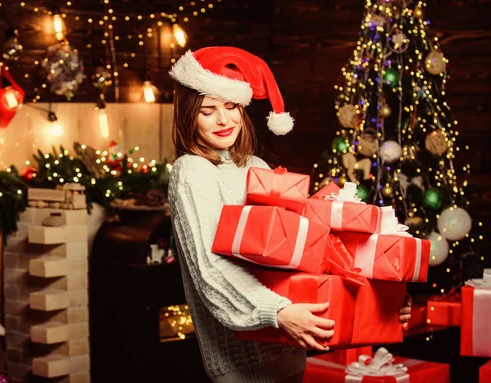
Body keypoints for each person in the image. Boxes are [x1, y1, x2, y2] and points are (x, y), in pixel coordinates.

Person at [167, 46, 412, 383]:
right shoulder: (191, 171)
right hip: (243, 368)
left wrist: (383, 301)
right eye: (208, 111)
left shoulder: (256, 166)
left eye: (231, 106)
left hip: (291, 353)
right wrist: (277, 312)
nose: (224, 120)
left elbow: (307, 254)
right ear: (188, 115)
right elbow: (211, 269)